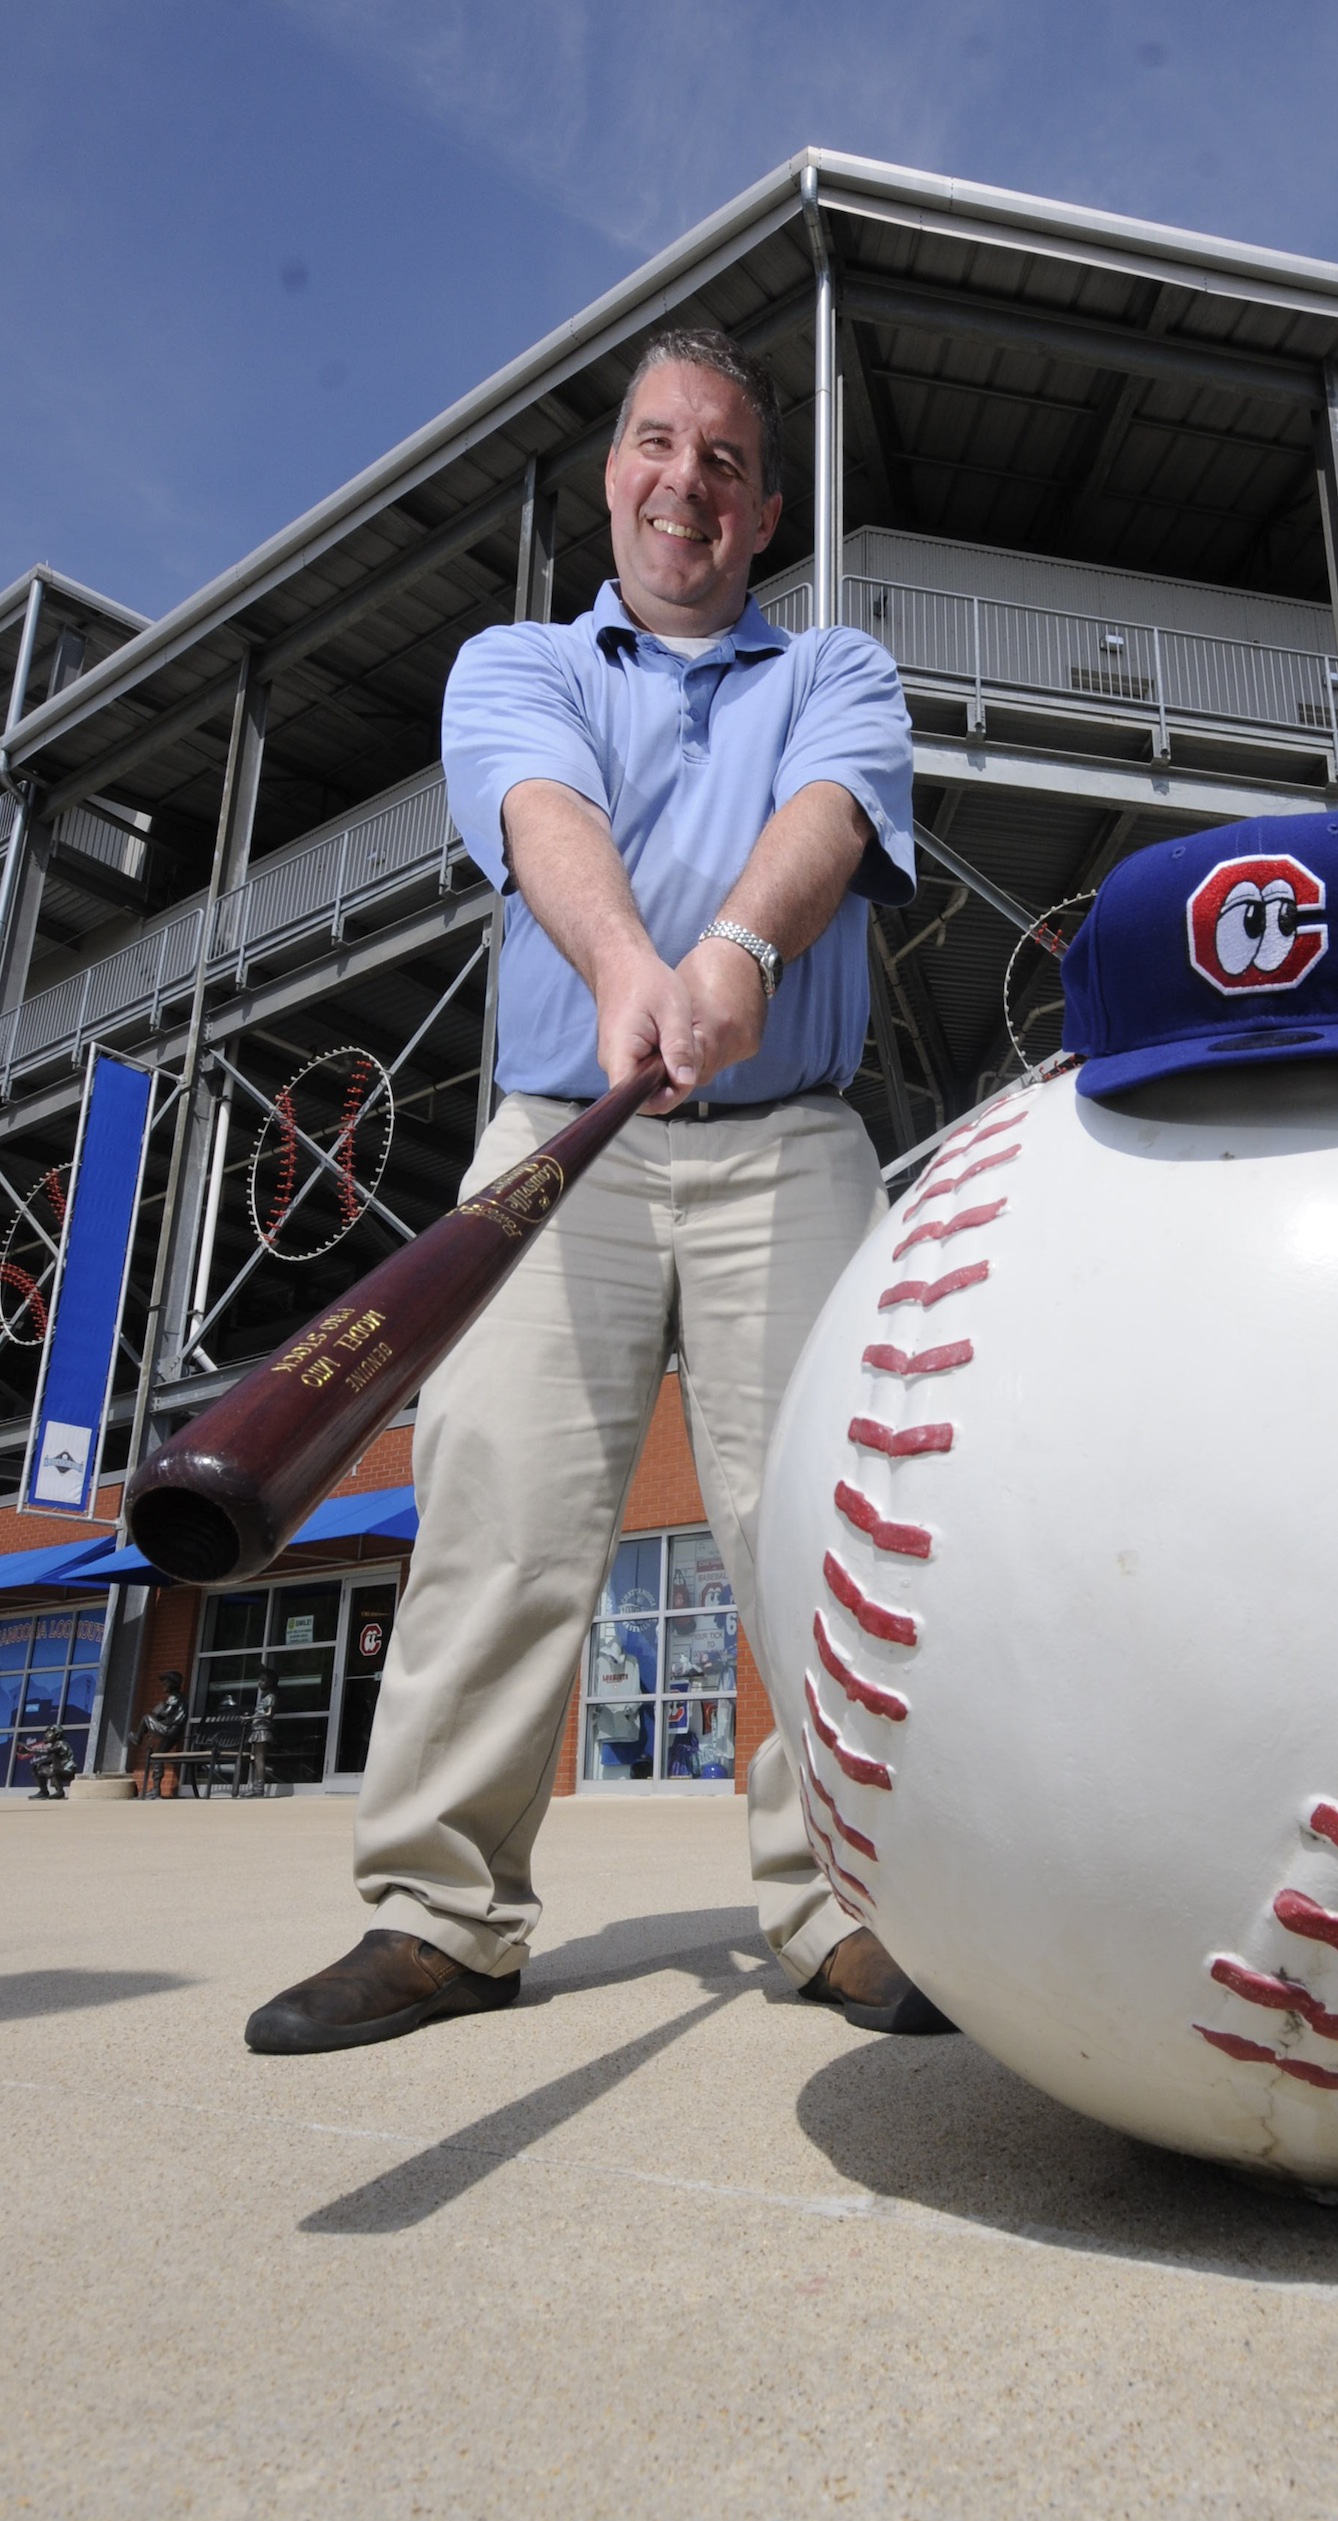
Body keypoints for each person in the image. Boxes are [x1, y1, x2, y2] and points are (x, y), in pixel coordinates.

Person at [245, 327, 950, 2054]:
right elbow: (540, 811)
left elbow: (831, 818)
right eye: (656, 442)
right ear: (612, 474)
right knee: (494, 1515)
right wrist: (640, 965)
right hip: (561, 1134)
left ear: (763, 501)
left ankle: (849, 1902)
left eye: (722, 456)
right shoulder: (517, 661)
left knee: (826, 1532)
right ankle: (441, 1915)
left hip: (787, 1138)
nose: (685, 479)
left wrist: (732, 951)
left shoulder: (838, 665)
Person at [131, 1669, 188, 1798]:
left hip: (170, 1730)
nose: (163, 1686)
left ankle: (137, 1738)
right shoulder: (178, 1698)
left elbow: (166, 1713)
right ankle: (156, 1790)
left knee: (146, 1718)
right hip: (174, 1730)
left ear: (173, 1684)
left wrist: (159, 1710)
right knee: (158, 1755)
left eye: (166, 1683)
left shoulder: (175, 1697)